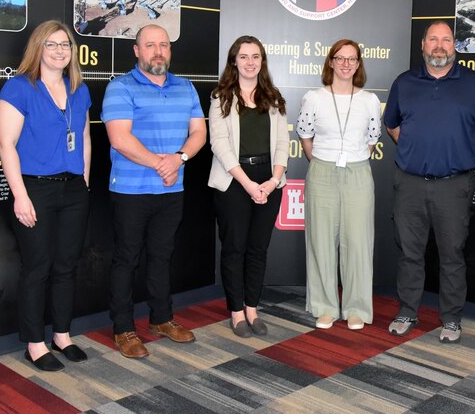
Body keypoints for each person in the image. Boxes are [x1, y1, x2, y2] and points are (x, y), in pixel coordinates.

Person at [383, 20, 475, 343]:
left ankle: (451, 319)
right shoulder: (404, 83)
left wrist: (461, 154)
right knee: (409, 252)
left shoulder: (474, 85)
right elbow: (392, 125)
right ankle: (407, 311)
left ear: (454, 46)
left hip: (453, 185)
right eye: (433, 39)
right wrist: (415, 150)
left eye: (446, 39)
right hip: (410, 184)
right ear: (423, 45)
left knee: (452, 254)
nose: (439, 45)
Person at [102, 24, 206, 358]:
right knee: (126, 259)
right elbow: (120, 138)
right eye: (150, 45)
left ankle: (161, 319)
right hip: (131, 190)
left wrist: (179, 159)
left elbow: (199, 134)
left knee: (162, 256)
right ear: (137, 51)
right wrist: (162, 164)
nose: (158, 51)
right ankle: (123, 329)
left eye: (163, 45)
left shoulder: (186, 87)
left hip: (170, 189)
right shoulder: (120, 87)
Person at [0, 20, 92, 371]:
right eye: (51, 45)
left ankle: (62, 336)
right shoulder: (19, 88)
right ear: (38, 48)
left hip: (73, 188)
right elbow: (6, 146)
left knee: (66, 266)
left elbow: (83, 138)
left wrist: (85, 180)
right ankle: (35, 343)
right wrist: (20, 197)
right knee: (37, 268)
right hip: (34, 187)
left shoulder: (79, 89)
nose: (59, 51)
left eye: (64, 44)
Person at [297, 39, 381, 330]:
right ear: (330, 62)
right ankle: (325, 306)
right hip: (321, 171)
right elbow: (305, 136)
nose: (346, 64)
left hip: (358, 173)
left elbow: (371, 141)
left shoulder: (369, 100)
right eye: (340, 58)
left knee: (358, 242)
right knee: (321, 240)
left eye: (352, 59)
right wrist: (322, 161)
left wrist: (351, 160)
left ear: (358, 64)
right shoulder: (314, 98)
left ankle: (356, 307)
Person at [208, 35, 288, 338]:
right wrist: (248, 184)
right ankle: (237, 312)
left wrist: (271, 181)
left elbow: (283, 142)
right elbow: (220, 143)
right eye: (244, 56)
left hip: (268, 181)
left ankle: (253, 309)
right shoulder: (221, 97)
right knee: (234, 248)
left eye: (256, 56)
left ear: (262, 61)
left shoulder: (274, 97)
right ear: (234, 61)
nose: (250, 62)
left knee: (257, 249)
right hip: (233, 181)